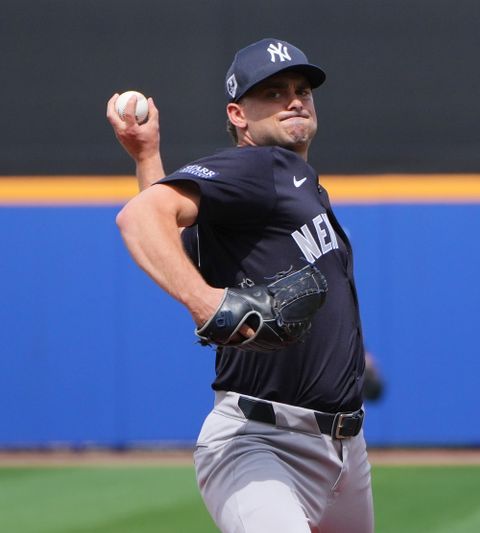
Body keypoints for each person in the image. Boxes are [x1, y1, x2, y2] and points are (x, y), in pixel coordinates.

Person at [107, 38, 374, 533]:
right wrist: (206, 304)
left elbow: (187, 247)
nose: (294, 99)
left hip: (345, 451)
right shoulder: (261, 167)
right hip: (261, 443)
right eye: (272, 93)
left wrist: (148, 159)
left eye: (301, 89)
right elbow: (141, 218)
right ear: (238, 115)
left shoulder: (297, 185)